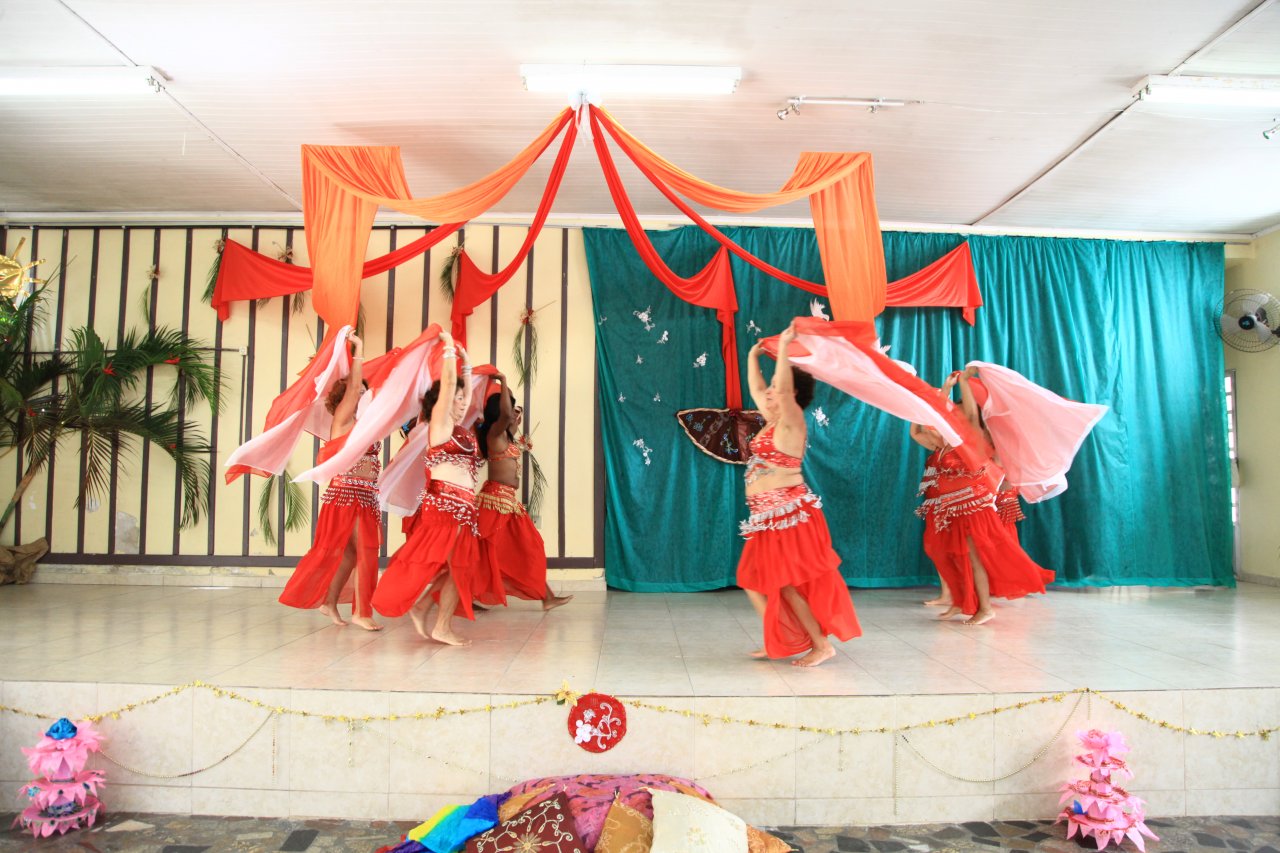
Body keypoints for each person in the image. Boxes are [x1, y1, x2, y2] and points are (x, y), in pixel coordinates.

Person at [737, 324, 861, 667]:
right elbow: (757, 387)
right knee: (751, 579)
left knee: (787, 584)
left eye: (777, 387)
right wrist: (752, 356)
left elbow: (784, 393)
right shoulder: (770, 420)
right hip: (766, 517)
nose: (770, 392)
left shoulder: (792, 423)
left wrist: (787, 348)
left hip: (789, 513)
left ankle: (821, 645)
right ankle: (777, 639)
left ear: (790, 393)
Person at [911, 369, 1053, 626]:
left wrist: (963, 382)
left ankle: (985, 608)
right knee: (941, 549)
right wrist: (944, 388)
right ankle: (960, 601)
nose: (953, 416)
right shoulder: (947, 443)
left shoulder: (975, 439)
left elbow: (971, 416)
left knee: (975, 557)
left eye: (958, 413)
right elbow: (934, 419)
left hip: (974, 508)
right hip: (950, 509)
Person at [371, 331, 486, 646]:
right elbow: (449, 386)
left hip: (464, 509)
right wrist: (449, 351)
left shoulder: (463, 430)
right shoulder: (439, 426)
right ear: (442, 403)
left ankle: (431, 615)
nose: (462, 404)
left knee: (458, 567)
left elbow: (465, 388)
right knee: (442, 563)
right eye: (457, 399)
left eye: (464, 399)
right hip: (444, 506)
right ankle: (432, 617)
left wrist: (466, 364)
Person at [278, 334, 382, 631]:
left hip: (365, 496)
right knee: (365, 550)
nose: (362, 396)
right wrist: (359, 350)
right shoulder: (343, 418)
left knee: (350, 555)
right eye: (357, 392)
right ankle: (362, 612)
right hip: (346, 496)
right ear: (346, 397)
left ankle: (329, 602)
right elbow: (354, 388)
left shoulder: (364, 425)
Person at [474, 374, 573, 611]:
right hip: (495, 501)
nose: (515, 415)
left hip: (508, 502)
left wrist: (515, 417)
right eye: (511, 409)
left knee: (528, 548)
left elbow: (512, 419)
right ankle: (460, 594)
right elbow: (507, 416)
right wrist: (503, 381)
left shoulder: (507, 436)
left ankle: (546, 598)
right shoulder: (494, 435)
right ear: (500, 414)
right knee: (486, 552)